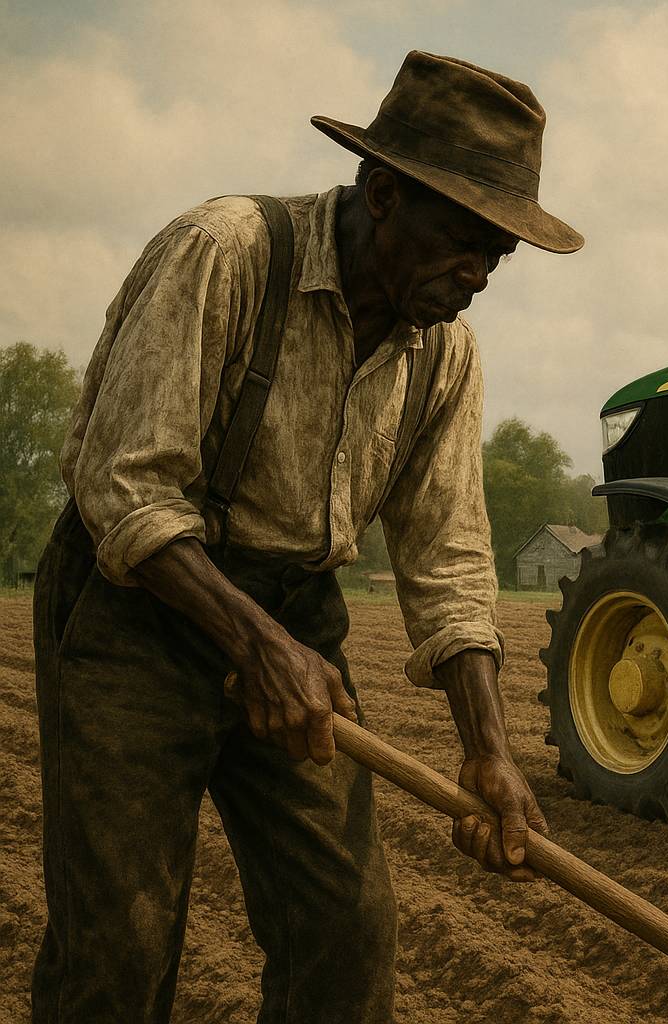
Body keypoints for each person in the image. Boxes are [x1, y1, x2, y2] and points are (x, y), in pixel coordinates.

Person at [30, 52, 582, 1023]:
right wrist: (253, 643)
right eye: (464, 242)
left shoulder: (442, 352)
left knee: (347, 933)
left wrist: (488, 750)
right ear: (380, 194)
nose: (480, 276)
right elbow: (122, 486)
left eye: (498, 256)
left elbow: (450, 560)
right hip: (143, 611)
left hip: (296, 620)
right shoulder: (225, 253)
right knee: (120, 944)